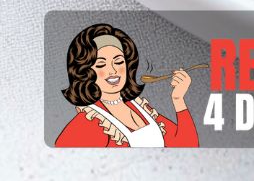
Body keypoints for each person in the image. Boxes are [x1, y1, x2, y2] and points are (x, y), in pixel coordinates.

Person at [54, 22, 198, 148]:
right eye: (101, 64)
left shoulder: (141, 108)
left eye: (118, 62)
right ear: (86, 72)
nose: (113, 70)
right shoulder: (89, 122)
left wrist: (178, 100)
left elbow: (187, 146)